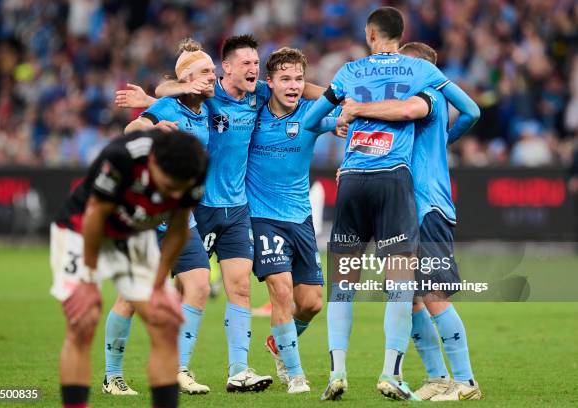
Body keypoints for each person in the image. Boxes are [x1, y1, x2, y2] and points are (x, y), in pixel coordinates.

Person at [303, 6, 478, 401]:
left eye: (405, 70)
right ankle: (437, 376)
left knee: (431, 295)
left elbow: (455, 110)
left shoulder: (427, 98)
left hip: (426, 201)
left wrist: (445, 140)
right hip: (402, 199)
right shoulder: (401, 88)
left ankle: (465, 380)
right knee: (411, 296)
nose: (394, 77)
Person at [155, 34, 324, 391]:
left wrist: (330, 96)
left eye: (256, 63)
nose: (253, 69)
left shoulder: (259, 94)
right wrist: (157, 96)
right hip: (199, 207)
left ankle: (238, 371)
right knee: (190, 288)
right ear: (225, 68)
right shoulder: (206, 93)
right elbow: (163, 89)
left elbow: (291, 86)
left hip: (238, 209)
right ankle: (173, 365)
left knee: (240, 290)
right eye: (245, 63)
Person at [50, 128, 208, 408]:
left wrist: (158, 284)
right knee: (82, 321)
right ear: (154, 163)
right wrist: (87, 279)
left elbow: (179, 226)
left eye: (177, 190)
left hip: (134, 233)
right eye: (168, 186)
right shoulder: (121, 157)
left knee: (163, 321)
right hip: (82, 227)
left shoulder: (196, 166)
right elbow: (95, 214)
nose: (171, 195)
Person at [102, 39, 215, 396]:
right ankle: (111, 377)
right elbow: (131, 130)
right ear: (189, 79)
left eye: (214, 70)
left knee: (198, 286)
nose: (214, 76)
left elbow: (164, 90)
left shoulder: (207, 110)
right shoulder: (169, 106)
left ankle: (178, 369)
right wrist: (152, 127)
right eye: (206, 72)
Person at [246, 47, 343, 394]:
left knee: (312, 303)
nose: (293, 85)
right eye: (285, 78)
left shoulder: (312, 114)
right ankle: (296, 375)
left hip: (300, 219)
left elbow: (342, 115)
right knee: (282, 291)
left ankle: (277, 344)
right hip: (262, 217)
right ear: (268, 82)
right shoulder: (252, 109)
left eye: (299, 78)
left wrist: (346, 122)